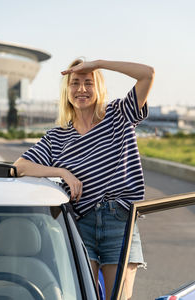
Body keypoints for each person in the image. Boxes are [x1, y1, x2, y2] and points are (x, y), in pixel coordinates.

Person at [13, 59, 155, 300]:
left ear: (98, 87)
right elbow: (20, 167)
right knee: (80, 296)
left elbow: (147, 74)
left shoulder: (119, 114)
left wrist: (98, 63)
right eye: (75, 83)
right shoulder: (57, 137)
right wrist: (62, 173)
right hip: (80, 224)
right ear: (66, 91)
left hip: (120, 222)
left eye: (89, 83)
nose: (81, 89)